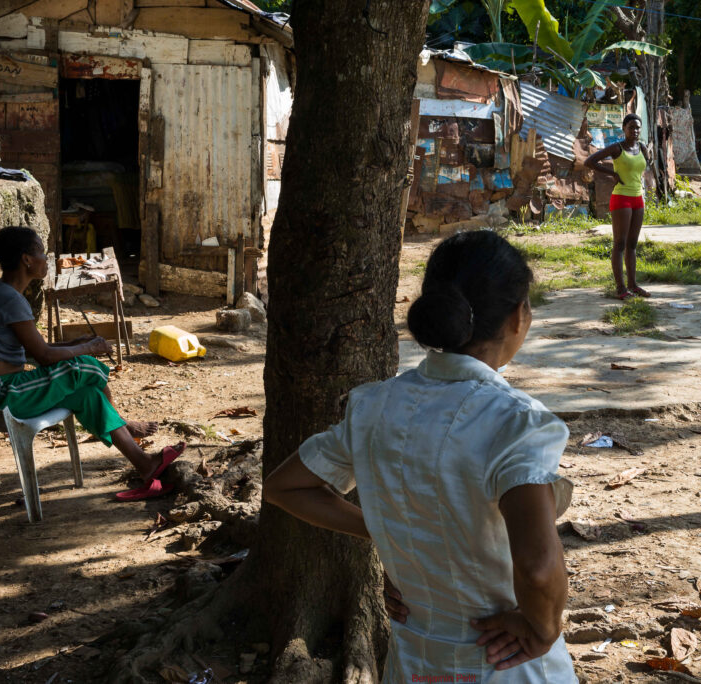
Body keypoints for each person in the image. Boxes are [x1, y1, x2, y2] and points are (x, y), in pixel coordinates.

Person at [263, 230, 576, 683]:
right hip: (507, 665)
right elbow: (539, 568)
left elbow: (284, 486)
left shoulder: (374, 407)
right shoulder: (517, 424)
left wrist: (389, 527)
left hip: (414, 663)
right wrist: (543, 631)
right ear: (516, 318)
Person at [0, 227, 182, 501]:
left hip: (0, 393)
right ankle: (123, 423)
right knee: (86, 366)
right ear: (27, 260)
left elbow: (37, 348)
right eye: (41, 252)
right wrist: (87, 348)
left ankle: (145, 465)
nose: (46, 258)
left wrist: (76, 342)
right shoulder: (8, 299)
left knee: (86, 393)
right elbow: (42, 356)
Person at [585, 113, 652, 299]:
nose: (635, 130)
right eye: (631, 127)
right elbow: (589, 161)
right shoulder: (617, 148)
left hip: (638, 199)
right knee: (620, 244)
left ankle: (633, 285)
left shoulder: (642, 148)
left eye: (638, 127)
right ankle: (620, 288)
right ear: (624, 129)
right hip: (621, 198)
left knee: (632, 244)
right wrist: (612, 174)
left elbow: (645, 167)